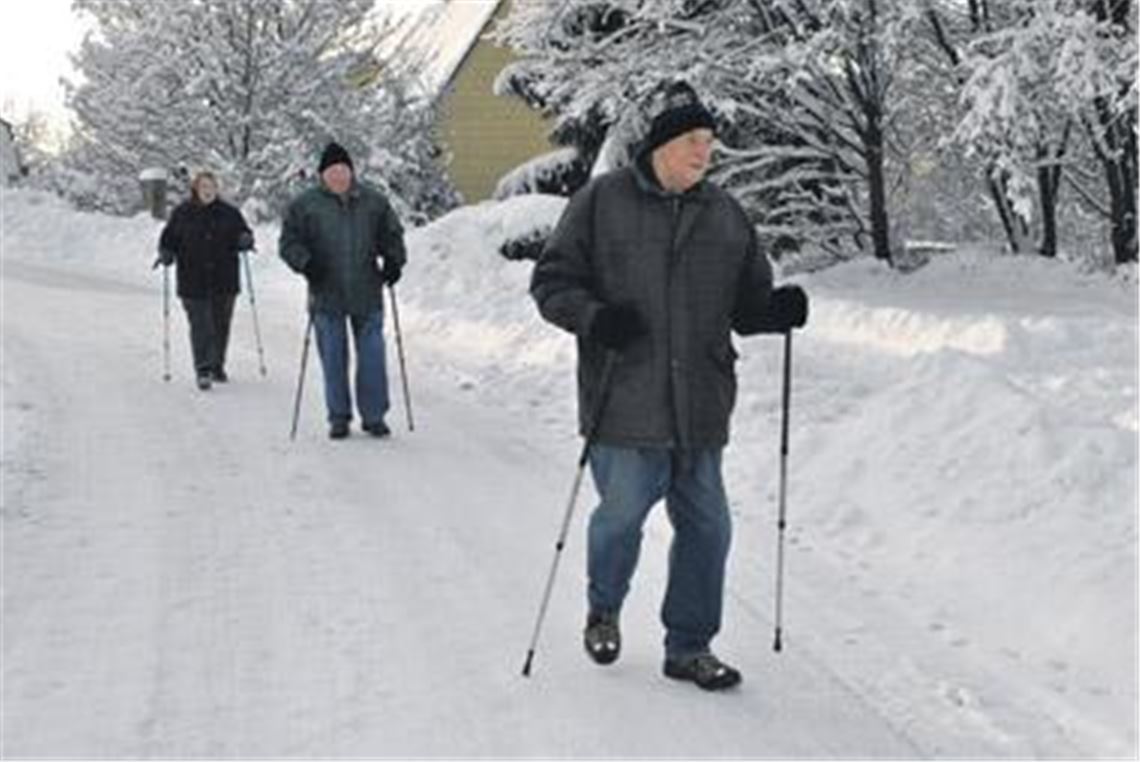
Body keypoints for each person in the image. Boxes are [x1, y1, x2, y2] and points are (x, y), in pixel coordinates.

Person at [530, 82, 809, 692]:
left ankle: (689, 646)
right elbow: (552, 283)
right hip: (624, 398)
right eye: (691, 141)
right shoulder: (602, 202)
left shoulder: (726, 214)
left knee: (710, 527)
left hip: (701, 403)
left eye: (709, 142)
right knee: (623, 515)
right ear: (660, 146)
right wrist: (596, 319)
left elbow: (747, 303)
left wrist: (776, 311)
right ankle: (604, 606)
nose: (703, 152)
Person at [279, 141, 406, 440]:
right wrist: (306, 263)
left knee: (372, 356)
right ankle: (338, 416)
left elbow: (392, 234)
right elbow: (288, 243)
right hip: (326, 293)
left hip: (367, 291)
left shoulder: (374, 202)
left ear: (351, 171)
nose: (339, 176)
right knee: (334, 358)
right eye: (333, 171)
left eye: (343, 170)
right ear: (322, 175)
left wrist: (393, 260)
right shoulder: (305, 205)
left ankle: (374, 416)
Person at [157, 171, 254, 390]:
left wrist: (245, 240)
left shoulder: (230, 213)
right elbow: (168, 238)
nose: (208, 190)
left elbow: (244, 233)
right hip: (192, 279)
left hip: (224, 279)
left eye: (211, 186)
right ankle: (203, 369)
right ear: (195, 188)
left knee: (221, 324)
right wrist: (166, 252)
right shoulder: (182, 213)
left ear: (217, 188)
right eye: (203, 187)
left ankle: (217, 365)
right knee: (200, 325)